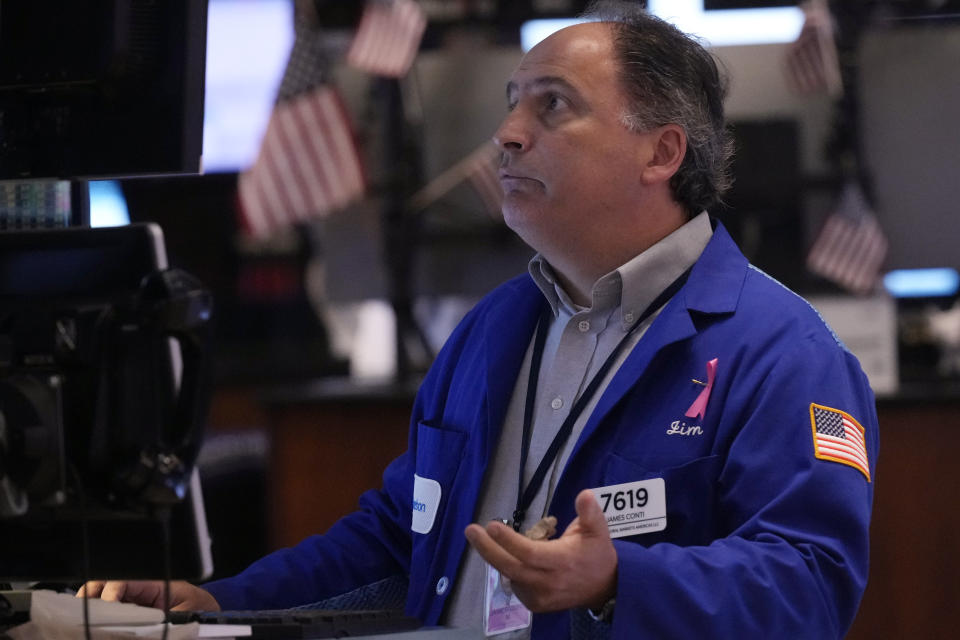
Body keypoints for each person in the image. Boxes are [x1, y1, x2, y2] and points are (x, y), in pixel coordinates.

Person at [80, 2, 879, 638]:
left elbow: (810, 585)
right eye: (511, 104)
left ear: (661, 153)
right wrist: (219, 605)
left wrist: (616, 582)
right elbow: (399, 539)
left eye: (552, 106)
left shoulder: (783, 352)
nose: (507, 134)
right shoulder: (492, 330)